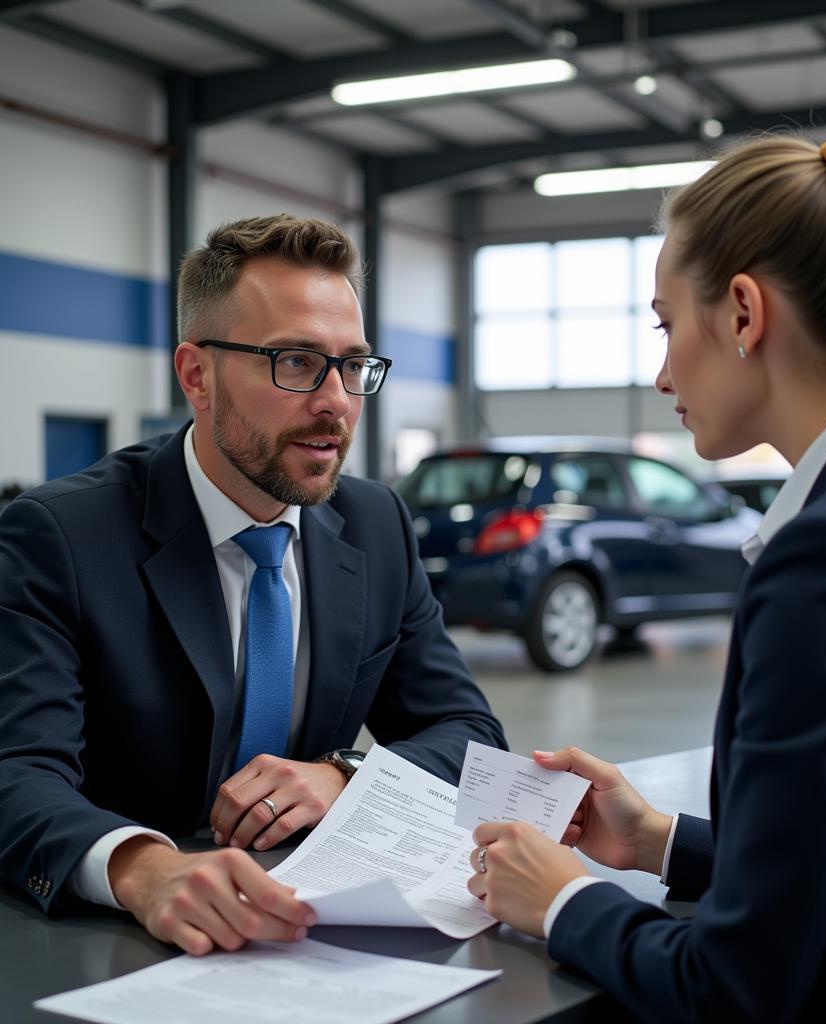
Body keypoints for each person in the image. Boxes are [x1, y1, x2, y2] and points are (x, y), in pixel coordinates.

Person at [466, 117, 826, 1022]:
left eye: (666, 323)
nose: (659, 372)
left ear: (742, 313)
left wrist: (562, 898)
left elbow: (735, 987)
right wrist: (656, 840)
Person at [0, 213, 507, 957]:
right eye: (297, 362)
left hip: (305, 936)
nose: (336, 400)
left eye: (352, 365)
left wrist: (346, 774)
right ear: (196, 375)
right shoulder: (61, 536)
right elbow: (18, 771)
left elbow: (472, 739)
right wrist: (144, 870)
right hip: (117, 944)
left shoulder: (374, 525)